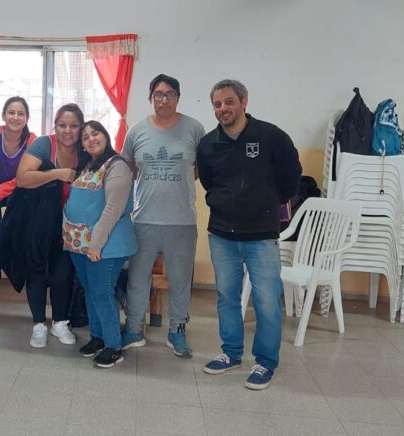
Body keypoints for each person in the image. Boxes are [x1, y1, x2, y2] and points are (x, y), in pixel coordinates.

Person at [197, 79, 301, 390]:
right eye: (217, 104)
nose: (223, 109)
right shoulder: (208, 144)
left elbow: (291, 178)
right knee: (227, 297)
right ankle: (231, 354)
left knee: (266, 300)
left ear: (244, 102)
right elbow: (208, 182)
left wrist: (267, 203)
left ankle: (265, 362)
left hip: (261, 236)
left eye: (229, 101)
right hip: (221, 234)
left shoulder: (271, 137)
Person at [120, 74, 205, 359]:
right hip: (143, 219)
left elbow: (199, 168)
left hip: (182, 221)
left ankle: (177, 331)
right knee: (137, 278)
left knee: (180, 281)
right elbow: (129, 169)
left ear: (178, 97)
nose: (164, 99)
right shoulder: (137, 131)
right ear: (150, 98)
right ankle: (134, 329)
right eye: (158, 94)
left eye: (170, 94)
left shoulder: (194, 129)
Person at [64, 120, 137, 368]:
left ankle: (113, 346)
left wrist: (95, 244)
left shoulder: (117, 166)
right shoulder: (87, 167)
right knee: (90, 291)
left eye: (95, 133)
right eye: (85, 137)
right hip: (79, 243)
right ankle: (98, 337)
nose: (90, 139)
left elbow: (112, 209)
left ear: (105, 136)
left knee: (102, 293)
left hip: (106, 244)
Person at [11, 103, 84, 348]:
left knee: (62, 274)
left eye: (74, 125)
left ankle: (60, 322)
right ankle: (39, 324)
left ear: (81, 127)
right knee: (37, 272)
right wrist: (57, 174)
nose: (68, 130)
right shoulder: (44, 144)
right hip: (39, 222)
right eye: (62, 125)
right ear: (55, 126)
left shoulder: (86, 148)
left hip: (71, 225)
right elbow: (22, 179)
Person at [0, 97, 36, 271]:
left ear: (27, 118)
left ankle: (15, 251)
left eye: (21, 114)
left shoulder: (32, 141)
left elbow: (26, 176)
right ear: (3, 115)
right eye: (11, 112)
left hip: (18, 189)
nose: (16, 117)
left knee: (23, 205)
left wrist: (0, 191)